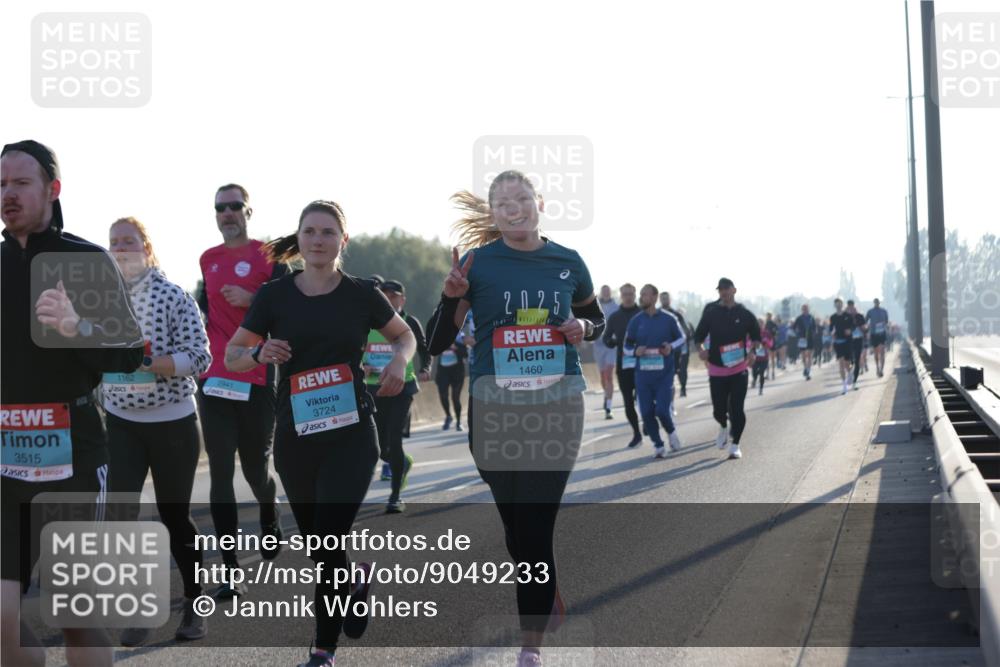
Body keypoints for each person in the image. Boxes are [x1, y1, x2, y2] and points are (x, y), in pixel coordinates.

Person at [425, 170, 605, 667]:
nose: (513, 207)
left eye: (522, 198)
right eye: (502, 202)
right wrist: (448, 295)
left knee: (535, 526)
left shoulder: (568, 263)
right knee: (517, 528)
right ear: (492, 212)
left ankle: (531, 648)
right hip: (494, 407)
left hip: (559, 404)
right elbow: (437, 343)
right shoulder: (476, 264)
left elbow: (597, 318)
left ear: (539, 203)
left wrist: (583, 327)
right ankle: (545, 590)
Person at [225, 200, 416, 667]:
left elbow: (404, 336)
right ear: (299, 238)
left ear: (341, 241)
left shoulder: (360, 293)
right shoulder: (274, 296)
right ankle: (353, 581)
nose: (317, 239)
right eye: (309, 231)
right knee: (318, 544)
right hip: (295, 436)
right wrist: (260, 353)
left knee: (329, 538)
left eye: (327, 232)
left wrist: (398, 360)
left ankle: (322, 650)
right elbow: (232, 356)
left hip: (351, 434)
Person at [2, 140, 144, 667]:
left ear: (52, 190)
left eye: (21, 183)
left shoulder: (83, 262)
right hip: (5, 462)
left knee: (74, 615)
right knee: (2, 616)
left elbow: (130, 354)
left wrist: (74, 327)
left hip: (74, 458)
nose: (8, 195)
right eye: (0, 185)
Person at [102, 217, 212, 645]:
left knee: (173, 516)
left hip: (172, 421)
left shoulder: (172, 295)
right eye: (113, 242)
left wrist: (150, 363)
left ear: (146, 248)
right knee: (120, 515)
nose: (120, 248)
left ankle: (195, 604)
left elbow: (200, 357)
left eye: (128, 241)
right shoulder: (99, 299)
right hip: (120, 422)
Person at [196, 184, 285, 595]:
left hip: (256, 378)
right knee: (220, 471)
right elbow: (205, 313)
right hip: (216, 378)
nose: (227, 213)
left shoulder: (271, 257)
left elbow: (288, 316)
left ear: (248, 211)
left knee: (255, 470)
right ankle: (231, 570)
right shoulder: (207, 260)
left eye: (234, 206)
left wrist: (253, 298)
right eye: (220, 208)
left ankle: (269, 507)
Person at [363, 279, 431, 513]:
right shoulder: (369, 320)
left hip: (403, 388)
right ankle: (402, 464)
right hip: (375, 387)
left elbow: (422, 347)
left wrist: (424, 368)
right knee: (381, 448)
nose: (389, 299)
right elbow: (357, 349)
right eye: (384, 295)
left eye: (393, 295)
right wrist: (361, 366)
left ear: (402, 299)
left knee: (394, 438)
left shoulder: (409, 322)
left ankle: (394, 497)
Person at [693, 278, 761, 460]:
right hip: (717, 369)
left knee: (737, 409)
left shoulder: (745, 314)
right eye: (720, 290)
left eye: (726, 289)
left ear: (734, 290)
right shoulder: (711, 312)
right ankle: (723, 426)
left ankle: (736, 444)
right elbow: (697, 336)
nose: (723, 292)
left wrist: (753, 352)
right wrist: (701, 351)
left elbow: (756, 337)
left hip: (739, 368)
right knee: (718, 410)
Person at [628, 285, 686, 457]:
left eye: (644, 294)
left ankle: (671, 432)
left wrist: (671, 346)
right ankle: (658, 445)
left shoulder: (668, 319)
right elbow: (626, 345)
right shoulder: (636, 321)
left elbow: (682, 337)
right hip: (643, 376)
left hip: (664, 374)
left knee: (662, 410)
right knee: (645, 412)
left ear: (655, 297)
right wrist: (634, 351)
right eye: (641, 295)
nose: (641, 297)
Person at [603, 283, 642, 447]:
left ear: (635, 295)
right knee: (628, 401)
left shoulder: (643, 314)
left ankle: (648, 422)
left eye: (631, 294)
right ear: (621, 295)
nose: (628, 296)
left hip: (643, 364)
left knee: (645, 398)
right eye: (625, 294)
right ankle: (636, 433)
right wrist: (612, 342)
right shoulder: (615, 317)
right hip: (624, 364)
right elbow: (606, 338)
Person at [660, 291, 692, 411]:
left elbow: (684, 333)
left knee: (670, 378)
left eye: (666, 298)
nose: (664, 300)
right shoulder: (656, 314)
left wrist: (673, 344)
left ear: (670, 300)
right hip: (659, 352)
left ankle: (671, 405)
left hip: (674, 352)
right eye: (662, 298)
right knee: (661, 380)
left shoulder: (676, 316)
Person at [435, 323, 469, 432]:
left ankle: (459, 422)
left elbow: (465, 354)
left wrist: (455, 348)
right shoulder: (438, 337)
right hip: (443, 372)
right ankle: (448, 416)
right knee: (443, 395)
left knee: (455, 397)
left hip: (457, 372)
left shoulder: (460, 337)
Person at [593, 285, 619, 419]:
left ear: (610, 292)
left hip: (611, 346)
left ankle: (608, 407)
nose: (606, 293)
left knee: (609, 374)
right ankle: (606, 395)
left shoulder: (616, 307)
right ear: (601, 292)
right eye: (603, 291)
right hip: (598, 346)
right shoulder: (595, 306)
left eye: (608, 290)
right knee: (603, 376)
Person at [829, 298, 855, 394]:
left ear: (842, 305)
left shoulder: (847, 316)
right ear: (835, 306)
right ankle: (844, 386)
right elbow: (831, 328)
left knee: (847, 363)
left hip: (847, 341)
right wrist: (832, 333)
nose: (838, 305)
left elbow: (853, 326)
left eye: (839, 304)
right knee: (841, 363)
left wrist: (850, 330)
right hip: (838, 342)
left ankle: (850, 373)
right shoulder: (833, 317)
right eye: (836, 304)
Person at [866, 298, 890, 377]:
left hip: (882, 333)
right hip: (874, 334)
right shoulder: (870, 311)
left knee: (882, 352)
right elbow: (865, 321)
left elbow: (886, 321)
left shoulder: (884, 311)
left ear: (879, 303)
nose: (877, 303)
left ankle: (881, 370)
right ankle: (877, 367)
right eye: (875, 302)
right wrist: (868, 328)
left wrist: (884, 326)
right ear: (874, 303)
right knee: (876, 353)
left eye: (878, 302)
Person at [792, 304, 817, 381]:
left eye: (806, 308)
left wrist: (813, 332)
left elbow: (815, 327)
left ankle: (808, 371)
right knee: (803, 355)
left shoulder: (811, 317)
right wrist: (797, 333)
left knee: (809, 355)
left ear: (808, 309)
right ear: (802, 310)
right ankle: (805, 367)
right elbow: (794, 327)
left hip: (810, 338)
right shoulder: (799, 318)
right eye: (803, 309)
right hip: (802, 338)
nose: (805, 310)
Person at [846, 300, 866, 389]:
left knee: (857, 361)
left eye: (852, 307)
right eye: (849, 307)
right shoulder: (845, 317)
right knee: (850, 361)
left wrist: (862, 327)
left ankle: (854, 382)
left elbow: (864, 328)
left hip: (858, 340)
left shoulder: (860, 316)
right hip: (849, 341)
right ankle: (850, 372)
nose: (851, 309)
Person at [764, 312, 779, 379]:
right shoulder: (765, 324)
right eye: (768, 316)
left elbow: (776, 333)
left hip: (772, 342)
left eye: (769, 316)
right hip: (767, 343)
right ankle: (768, 373)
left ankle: (772, 372)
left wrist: (773, 336)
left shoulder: (773, 324)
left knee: (772, 358)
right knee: (768, 358)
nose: (768, 317)